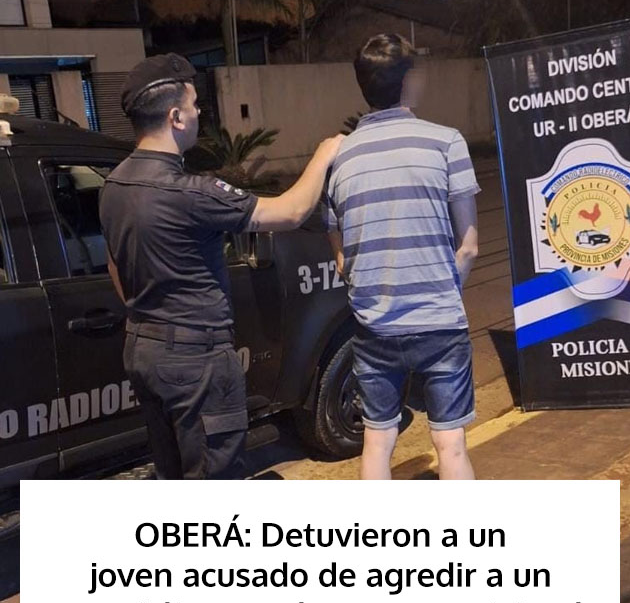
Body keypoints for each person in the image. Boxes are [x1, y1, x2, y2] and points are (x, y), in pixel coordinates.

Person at [100, 53, 343, 480]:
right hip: (196, 360)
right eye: (194, 105)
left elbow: (115, 263)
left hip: (144, 349)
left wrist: (151, 314)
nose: (199, 114)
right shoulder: (191, 192)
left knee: (174, 473)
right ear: (176, 117)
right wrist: (323, 157)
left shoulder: (114, 184)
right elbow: (289, 212)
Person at [325, 34, 480, 481]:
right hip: (440, 323)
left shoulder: (338, 158)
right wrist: (440, 293)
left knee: (377, 441)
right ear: (409, 81)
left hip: (374, 327)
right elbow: (469, 246)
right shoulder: (446, 143)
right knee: (450, 445)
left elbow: (340, 255)